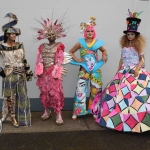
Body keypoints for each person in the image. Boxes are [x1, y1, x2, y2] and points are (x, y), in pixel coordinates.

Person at [95, 10, 150, 133]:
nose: (130, 36)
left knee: (137, 93)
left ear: (136, 36)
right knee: (117, 93)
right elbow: (121, 59)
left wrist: (137, 69)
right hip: (123, 71)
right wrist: (118, 70)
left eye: (132, 34)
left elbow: (142, 59)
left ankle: (138, 118)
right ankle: (120, 119)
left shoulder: (137, 46)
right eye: (128, 34)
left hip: (135, 71)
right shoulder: (124, 47)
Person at [34, 17, 72, 125]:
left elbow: (59, 60)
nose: (51, 36)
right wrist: (39, 69)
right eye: (49, 34)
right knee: (44, 92)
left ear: (57, 34)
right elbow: (39, 59)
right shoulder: (42, 46)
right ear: (45, 35)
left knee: (55, 93)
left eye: (53, 34)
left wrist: (56, 71)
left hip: (54, 73)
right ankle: (46, 110)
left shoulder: (59, 46)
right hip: (43, 74)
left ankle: (58, 113)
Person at [69, 17, 107, 120]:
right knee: (80, 90)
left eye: (91, 31)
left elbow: (104, 51)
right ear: (85, 32)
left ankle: (94, 111)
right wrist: (77, 59)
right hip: (84, 70)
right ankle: (77, 111)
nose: (90, 33)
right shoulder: (80, 43)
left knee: (96, 90)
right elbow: (70, 52)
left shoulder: (97, 43)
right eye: (88, 31)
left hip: (96, 70)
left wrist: (104, 56)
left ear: (93, 32)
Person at [0, 13, 32, 132]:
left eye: (15, 33)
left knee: (22, 95)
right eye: (11, 33)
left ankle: (23, 118)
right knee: (10, 97)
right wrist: (2, 73)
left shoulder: (20, 45)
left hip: (20, 73)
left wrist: (27, 72)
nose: (14, 35)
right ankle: (12, 116)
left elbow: (24, 59)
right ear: (7, 34)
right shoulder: (2, 46)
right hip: (8, 73)